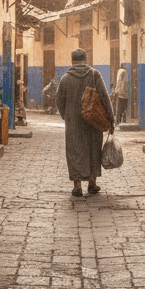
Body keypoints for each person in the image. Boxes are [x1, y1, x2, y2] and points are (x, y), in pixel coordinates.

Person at [55, 48, 113, 197]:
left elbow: (59, 100)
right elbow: (105, 98)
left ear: (72, 60)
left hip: (73, 123)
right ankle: (92, 184)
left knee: (75, 151)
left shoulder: (65, 78)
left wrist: (66, 116)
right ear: (86, 60)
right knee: (93, 149)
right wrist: (111, 119)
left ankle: (77, 186)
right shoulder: (95, 75)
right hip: (94, 121)